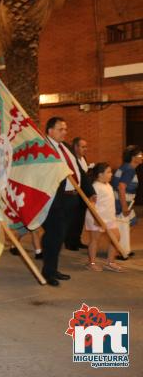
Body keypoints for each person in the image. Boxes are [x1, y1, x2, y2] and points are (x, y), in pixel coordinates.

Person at [41, 117, 95, 286]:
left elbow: (78, 171)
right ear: (50, 131)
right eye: (60, 129)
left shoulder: (65, 148)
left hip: (71, 199)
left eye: (65, 129)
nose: (64, 132)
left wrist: (90, 191)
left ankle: (54, 268)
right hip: (55, 201)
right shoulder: (44, 149)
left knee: (60, 236)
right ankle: (47, 272)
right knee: (53, 236)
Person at [85, 163, 122, 272]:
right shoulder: (95, 186)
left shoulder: (108, 185)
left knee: (116, 237)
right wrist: (97, 219)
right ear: (100, 174)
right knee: (95, 240)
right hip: (97, 218)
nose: (111, 174)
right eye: (109, 172)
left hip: (109, 218)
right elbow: (91, 204)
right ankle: (91, 263)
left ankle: (110, 262)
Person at [112, 145, 142, 259]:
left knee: (131, 223)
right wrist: (124, 207)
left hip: (119, 201)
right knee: (122, 227)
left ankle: (121, 249)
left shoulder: (124, 167)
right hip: (121, 203)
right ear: (133, 157)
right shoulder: (129, 169)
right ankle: (118, 251)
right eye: (139, 155)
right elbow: (121, 187)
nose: (142, 157)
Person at [65, 137, 95, 251]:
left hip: (83, 193)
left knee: (80, 219)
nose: (85, 149)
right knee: (72, 219)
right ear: (76, 147)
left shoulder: (83, 159)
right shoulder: (71, 160)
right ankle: (69, 242)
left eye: (86, 147)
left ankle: (77, 240)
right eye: (83, 147)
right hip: (73, 193)